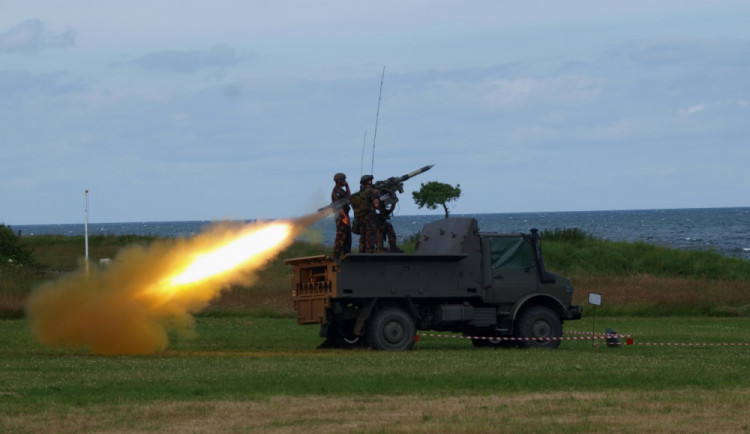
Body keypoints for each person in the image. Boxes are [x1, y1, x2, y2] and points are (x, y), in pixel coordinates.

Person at [354, 174, 378, 253]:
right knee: (370, 235)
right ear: (368, 182)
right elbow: (376, 205)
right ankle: (370, 252)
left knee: (363, 236)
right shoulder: (370, 191)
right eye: (370, 180)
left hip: (361, 217)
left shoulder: (361, 192)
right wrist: (377, 196)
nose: (371, 181)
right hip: (369, 217)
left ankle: (362, 252)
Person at [331, 172, 351, 261]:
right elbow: (338, 206)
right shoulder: (336, 192)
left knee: (347, 236)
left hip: (345, 216)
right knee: (340, 236)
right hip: (341, 217)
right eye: (343, 180)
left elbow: (349, 197)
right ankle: (336, 256)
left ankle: (346, 255)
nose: (345, 181)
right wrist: (345, 217)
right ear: (339, 181)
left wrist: (347, 186)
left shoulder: (342, 191)